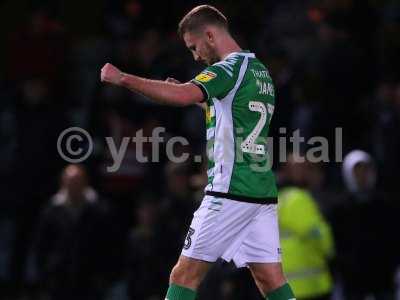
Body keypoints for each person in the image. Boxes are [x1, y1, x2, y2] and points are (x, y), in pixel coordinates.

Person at [100, 5, 295, 300]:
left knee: (183, 276)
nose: (195, 56)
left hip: (230, 191)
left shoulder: (226, 69)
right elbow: (235, 112)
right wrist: (197, 98)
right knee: (271, 280)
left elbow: (180, 96)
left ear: (210, 35)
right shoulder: (260, 71)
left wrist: (123, 78)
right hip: (261, 193)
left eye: (194, 47)